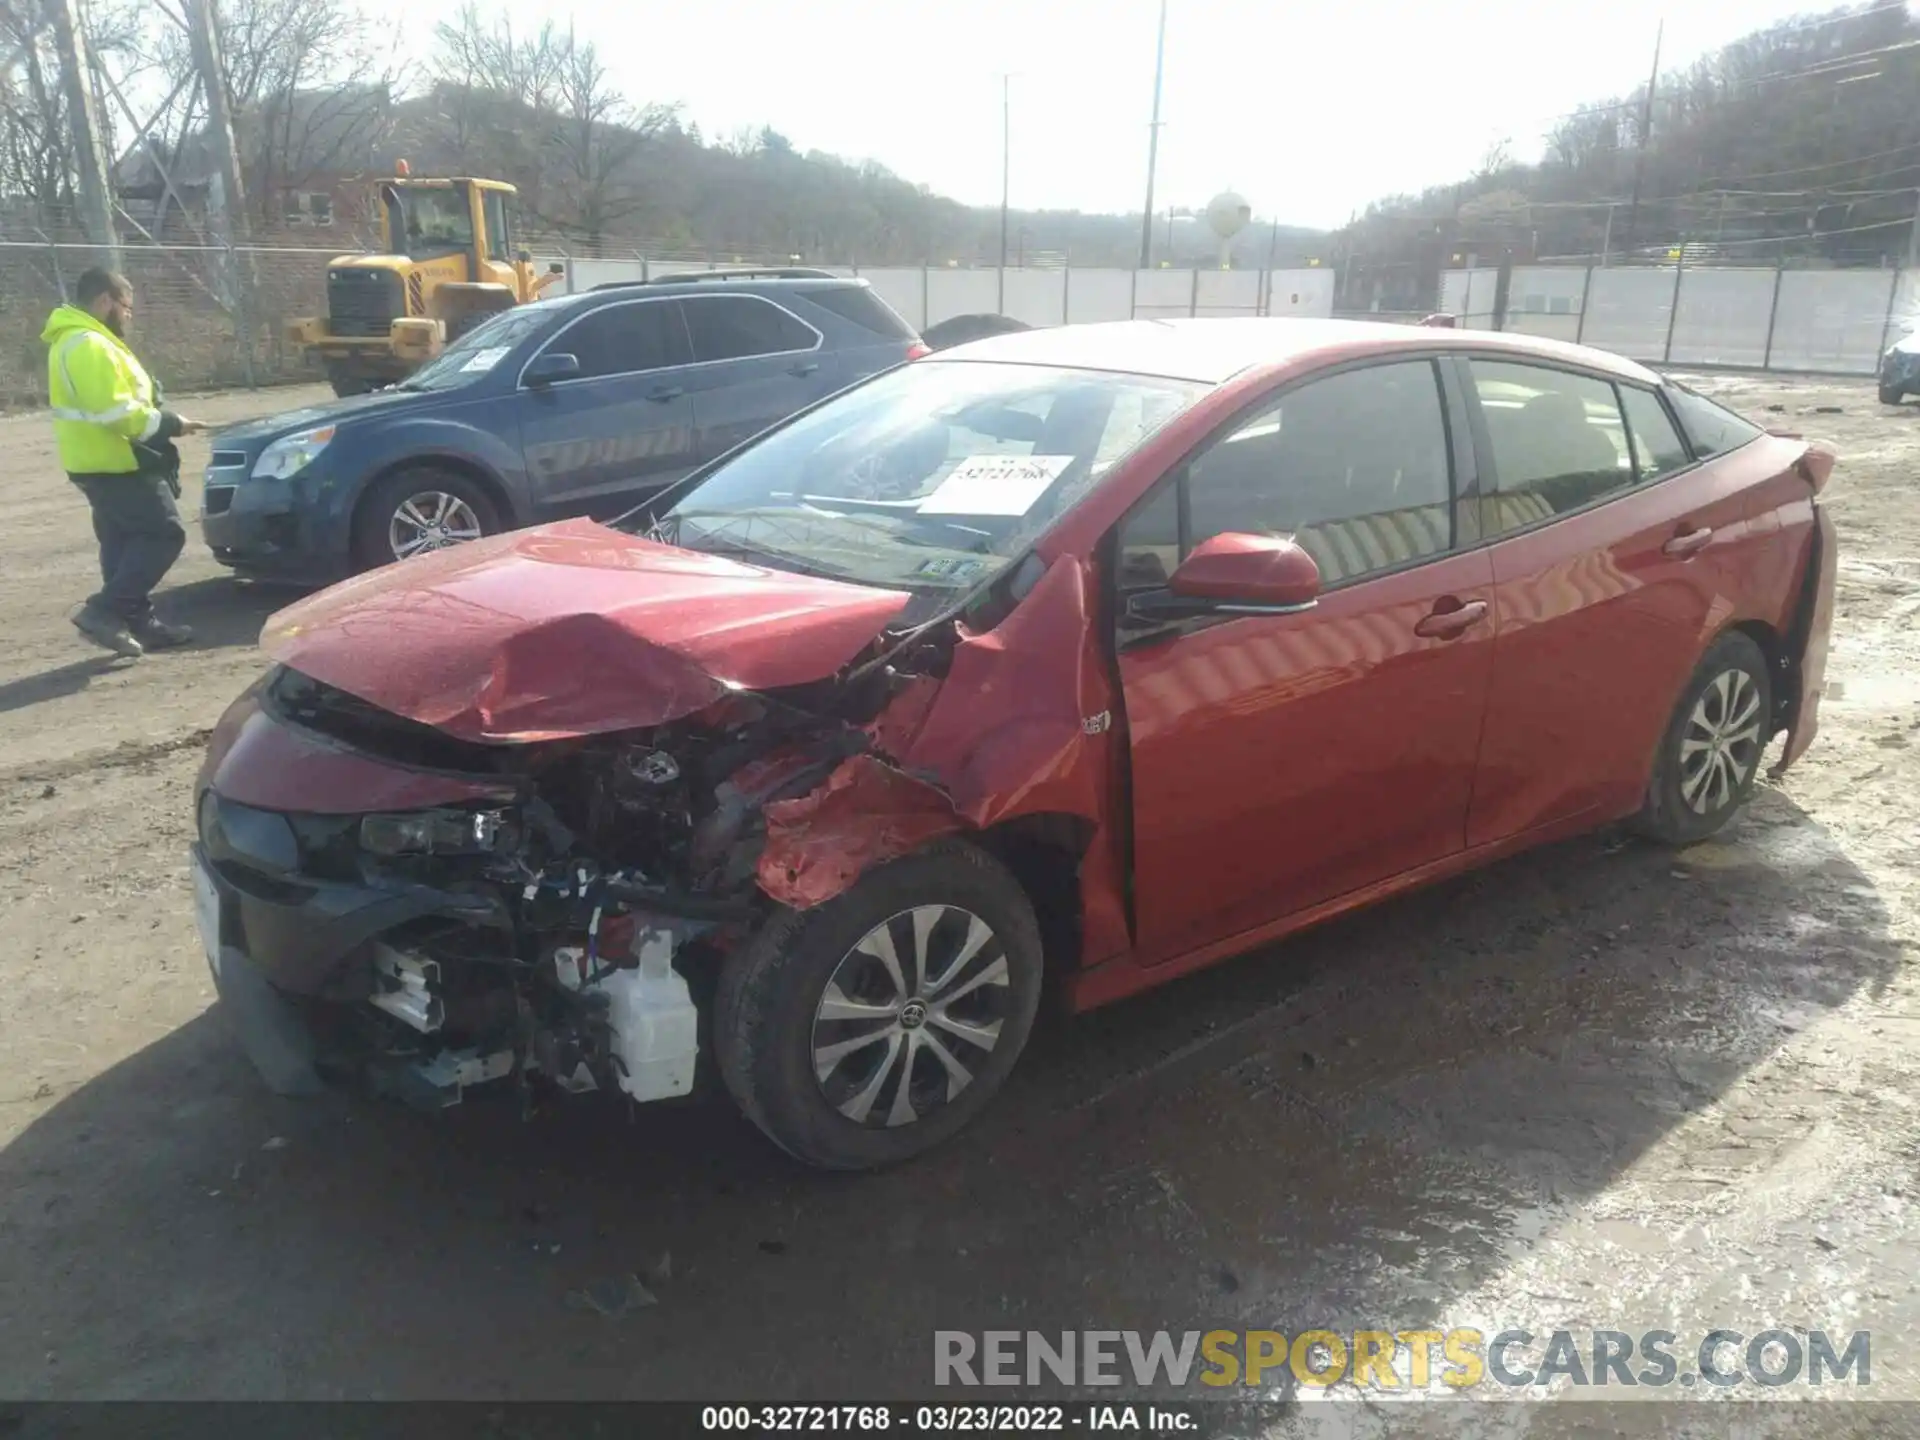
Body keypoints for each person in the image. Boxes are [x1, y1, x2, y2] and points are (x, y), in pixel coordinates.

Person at [43, 268, 206, 658]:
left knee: (121, 541)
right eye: (126, 307)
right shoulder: (89, 344)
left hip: (96, 460)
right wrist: (171, 424)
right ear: (105, 302)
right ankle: (105, 611)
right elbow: (116, 411)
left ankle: (137, 621)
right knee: (162, 534)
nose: (128, 316)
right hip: (118, 460)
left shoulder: (77, 339)